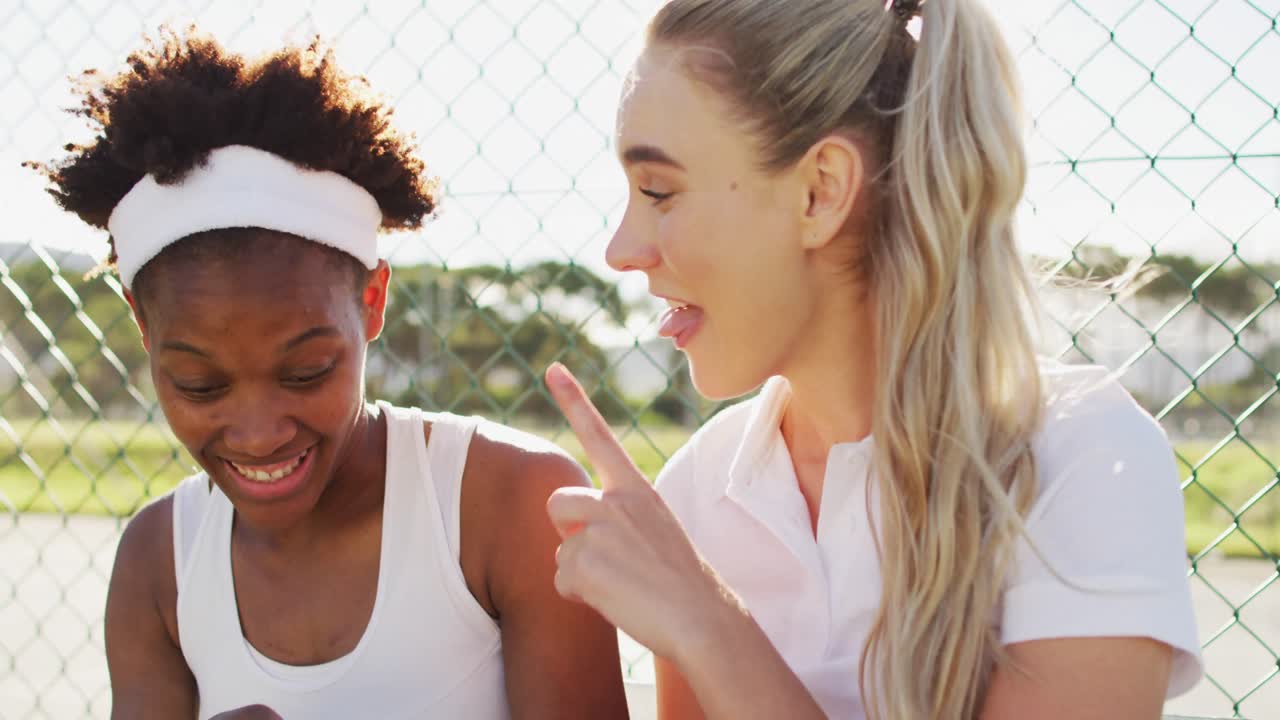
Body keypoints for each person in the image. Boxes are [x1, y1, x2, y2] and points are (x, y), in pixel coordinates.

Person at [541, 1, 1203, 718]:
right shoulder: (700, 488)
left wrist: (706, 621)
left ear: (820, 192)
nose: (620, 249)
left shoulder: (1080, 457)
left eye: (658, 192)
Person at [29, 29, 629, 720]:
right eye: (200, 385)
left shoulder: (510, 506)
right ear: (141, 324)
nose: (259, 434)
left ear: (372, 300)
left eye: (307, 372)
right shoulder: (159, 564)